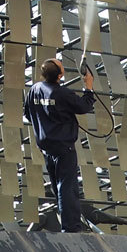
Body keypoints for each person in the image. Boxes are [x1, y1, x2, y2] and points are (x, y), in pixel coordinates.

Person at [23, 57, 95, 232]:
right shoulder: (62, 93)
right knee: (67, 187)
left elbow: (27, 112)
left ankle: (67, 222)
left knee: (58, 186)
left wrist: (44, 124)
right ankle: (71, 227)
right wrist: (89, 86)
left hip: (46, 146)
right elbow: (84, 106)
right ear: (60, 75)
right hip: (64, 146)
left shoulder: (34, 90)